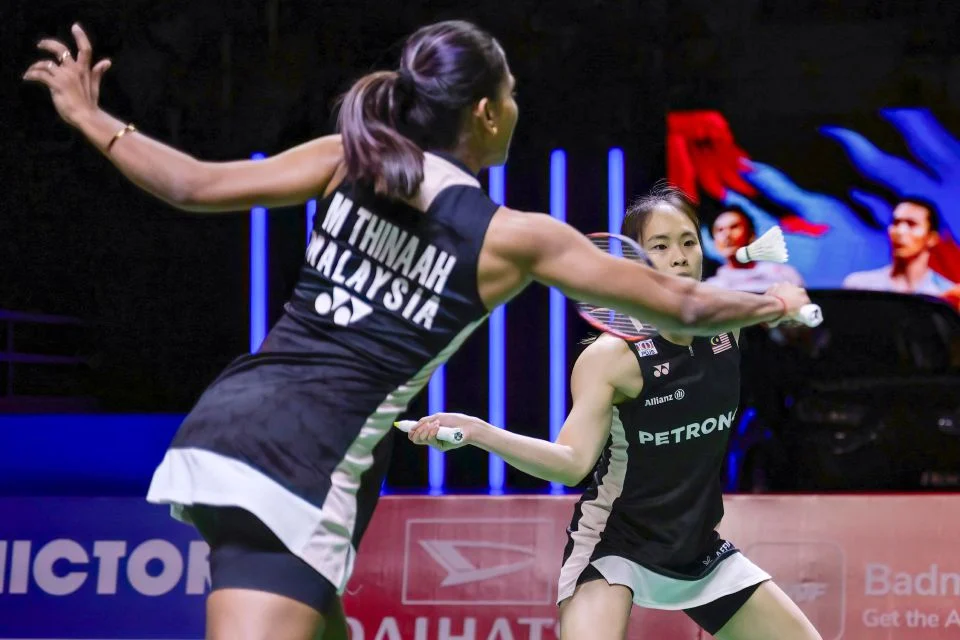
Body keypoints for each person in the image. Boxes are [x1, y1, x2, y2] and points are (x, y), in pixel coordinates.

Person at [24, 21, 812, 640]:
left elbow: (194, 185)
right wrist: (771, 300)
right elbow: (681, 306)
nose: (517, 106)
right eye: (511, 93)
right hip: (305, 461)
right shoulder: (512, 237)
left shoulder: (349, 158)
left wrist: (92, 117)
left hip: (230, 422)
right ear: (486, 112)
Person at [406, 187, 822, 640]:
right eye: (660, 246)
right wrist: (478, 431)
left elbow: (780, 322)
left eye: (688, 242)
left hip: (697, 546)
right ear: (633, 264)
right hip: (615, 545)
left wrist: (784, 304)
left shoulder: (728, 330)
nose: (680, 257)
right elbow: (571, 464)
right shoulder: (612, 359)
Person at [843, 198, 957, 296]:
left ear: (932, 238)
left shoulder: (945, 294)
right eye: (896, 223)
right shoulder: (861, 286)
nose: (900, 231)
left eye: (911, 224)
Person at [706, 205, 805, 292]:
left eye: (734, 227)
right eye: (720, 230)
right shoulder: (711, 288)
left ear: (751, 235)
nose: (727, 235)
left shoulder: (784, 275)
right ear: (714, 242)